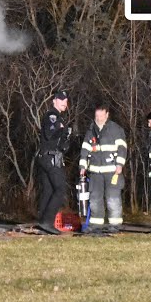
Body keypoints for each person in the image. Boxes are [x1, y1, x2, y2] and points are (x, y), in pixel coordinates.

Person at [78, 103, 127, 235]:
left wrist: (119, 164)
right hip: (95, 172)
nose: (99, 118)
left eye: (101, 115)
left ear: (107, 115)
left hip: (112, 171)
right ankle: (96, 224)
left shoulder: (116, 129)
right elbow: (85, 149)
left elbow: (122, 148)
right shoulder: (91, 130)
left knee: (113, 198)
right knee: (95, 198)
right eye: (97, 115)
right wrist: (83, 166)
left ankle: (115, 225)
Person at [34, 90, 73, 234]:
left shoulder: (59, 118)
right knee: (60, 189)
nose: (65, 102)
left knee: (49, 190)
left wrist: (66, 135)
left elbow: (63, 144)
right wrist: (62, 130)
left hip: (46, 157)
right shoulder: (52, 115)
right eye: (61, 99)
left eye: (66, 100)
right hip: (50, 158)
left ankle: (43, 223)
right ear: (54, 101)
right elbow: (51, 134)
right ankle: (48, 222)